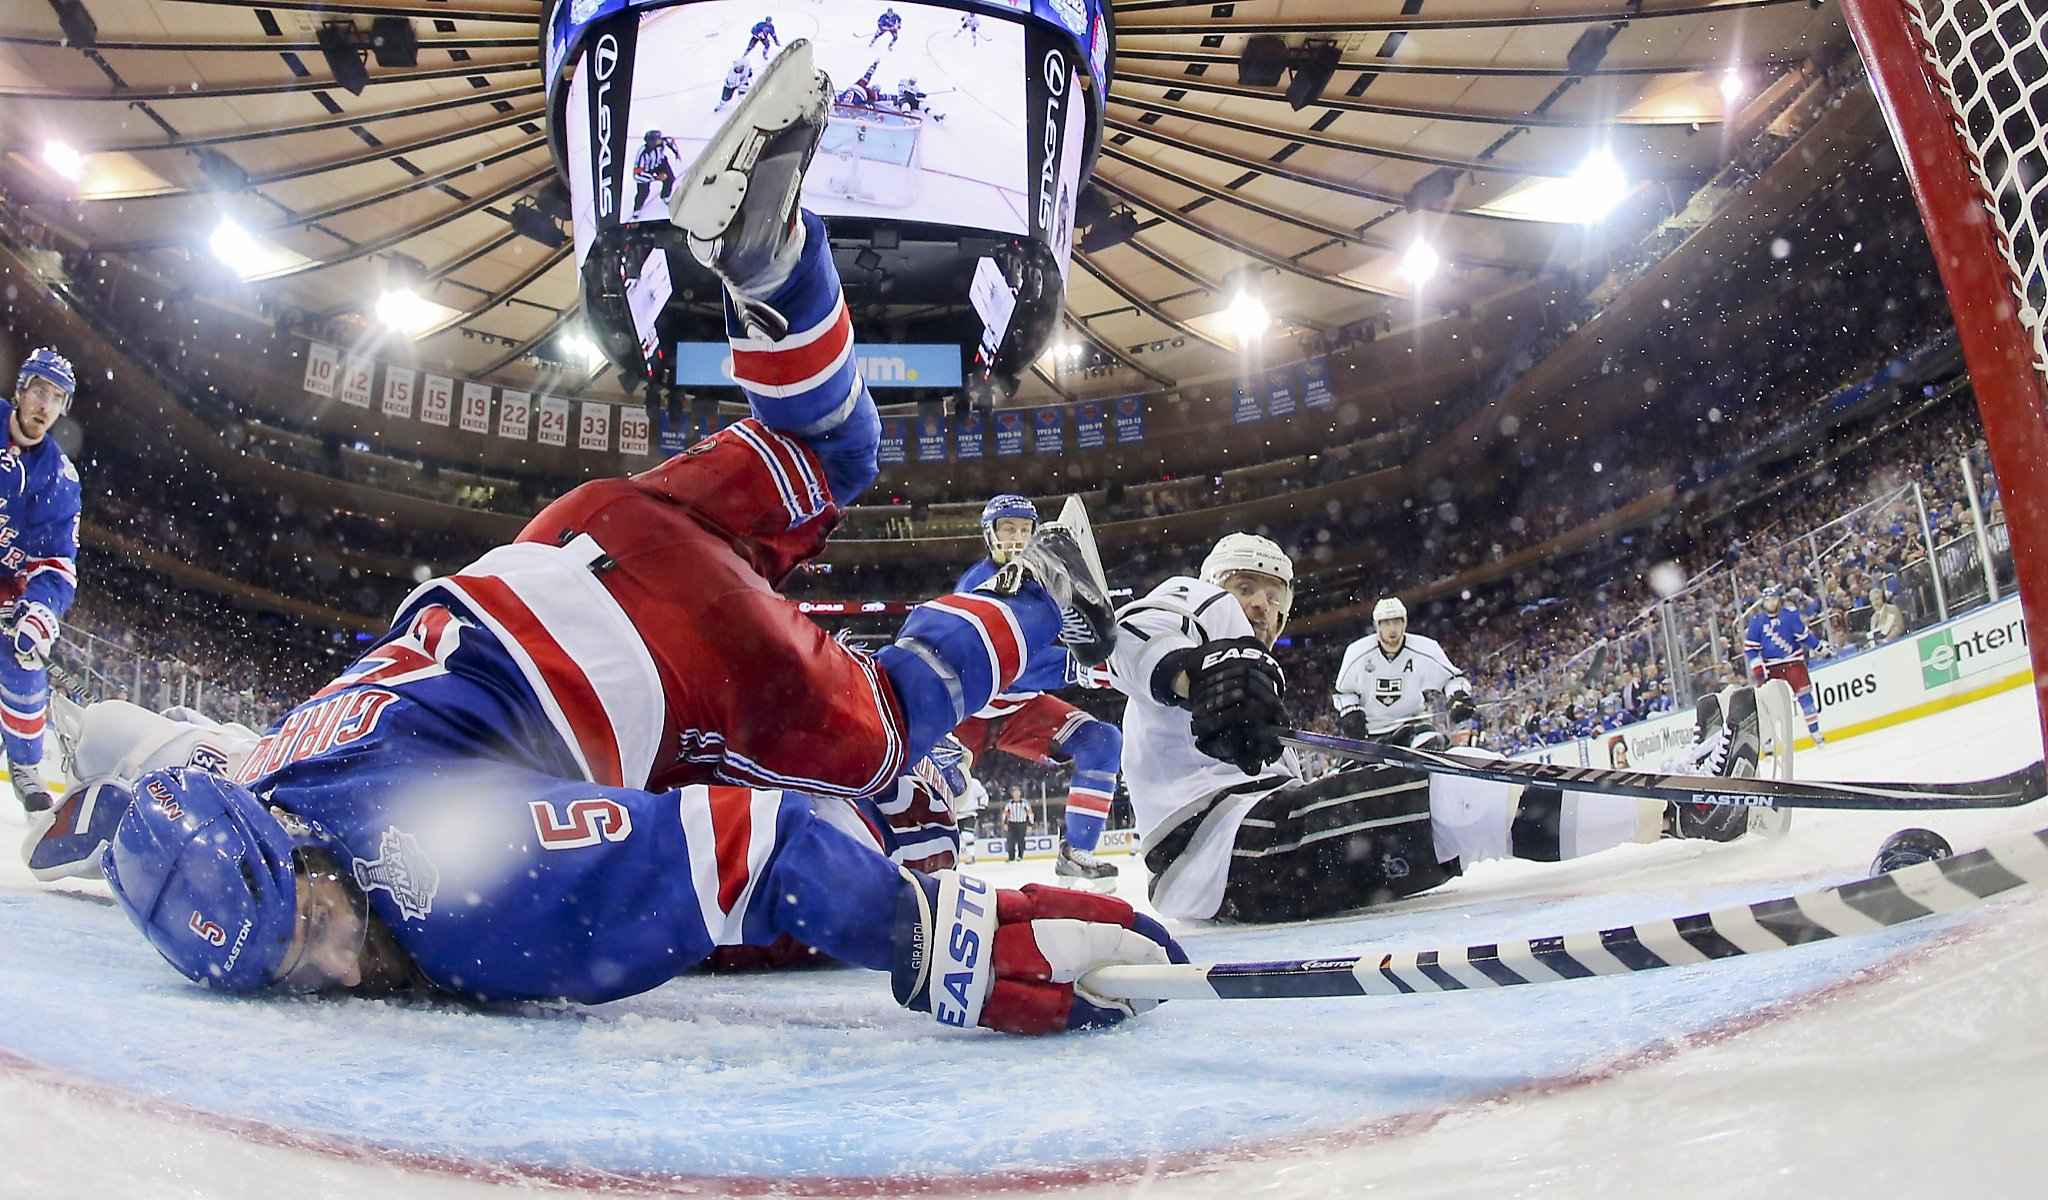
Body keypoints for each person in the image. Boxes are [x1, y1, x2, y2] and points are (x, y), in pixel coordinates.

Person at [86, 42, 1181, 1036]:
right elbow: (135, 764)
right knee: (830, 451)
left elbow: (764, 849)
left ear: (300, 853)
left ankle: (1037, 603)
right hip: (573, 537)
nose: (333, 963)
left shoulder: (437, 885)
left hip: (665, 652)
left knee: (888, 733)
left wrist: (968, 953)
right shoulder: (260, 769)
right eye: (295, 965)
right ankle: (775, 268)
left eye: (309, 920)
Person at [1103, 532, 1771, 923]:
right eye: (1248, 586)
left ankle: (1675, 799)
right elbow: (1129, 639)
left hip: (1242, 850)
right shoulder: (1191, 606)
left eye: (1276, 598)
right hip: (1217, 857)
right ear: (1215, 583)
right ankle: (1690, 807)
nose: (1262, 606)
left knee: (1442, 772)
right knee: (1452, 792)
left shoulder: (1252, 675)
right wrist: (1191, 673)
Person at [952, 495, 1123, 889]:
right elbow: (1004, 664)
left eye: (1025, 529)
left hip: (1017, 710)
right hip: (967, 712)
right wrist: (1080, 668)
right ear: (989, 534)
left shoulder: (1047, 581)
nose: (1018, 537)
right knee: (934, 788)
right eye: (1008, 528)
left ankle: (1076, 854)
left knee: (1101, 741)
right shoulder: (979, 587)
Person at [1, 347, 82, 814]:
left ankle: (26, 765)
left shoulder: (59, 478)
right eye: (38, 390)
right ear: (20, 391)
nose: (45, 405)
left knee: (24, 661)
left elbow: (56, 562)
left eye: (56, 397)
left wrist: (39, 611)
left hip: (8, 593)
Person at [1331, 596, 1476, 750]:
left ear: (1404, 623)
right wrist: (1350, 712)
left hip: (1414, 725)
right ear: (1377, 626)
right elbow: (1343, 692)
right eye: (1386, 623)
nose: (1392, 629)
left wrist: (1458, 696)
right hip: (1372, 732)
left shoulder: (1425, 648)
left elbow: (1452, 680)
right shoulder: (1357, 652)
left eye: (1396, 622)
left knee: (1431, 743)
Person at [1744, 584, 1828, 744]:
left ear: (1778, 600)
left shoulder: (1790, 615)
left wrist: (1818, 647)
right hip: (1770, 667)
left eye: (1773, 599)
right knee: (1766, 702)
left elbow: (1804, 636)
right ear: (1763, 602)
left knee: (1805, 696)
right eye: (1768, 601)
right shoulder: (1757, 622)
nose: (1771, 603)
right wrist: (1757, 666)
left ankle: (1815, 732)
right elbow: (1751, 648)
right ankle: (1768, 740)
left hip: (1793, 662)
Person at [631, 131, 681, 219]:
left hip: (659, 163)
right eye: (657, 140)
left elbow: (670, 141)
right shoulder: (643, 154)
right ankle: (637, 209)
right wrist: (655, 178)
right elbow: (637, 175)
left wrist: (676, 152)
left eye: (659, 140)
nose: (659, 142)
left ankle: (665, 195)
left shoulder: (662, 142)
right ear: (650, 142)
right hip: (646, 171)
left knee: (670, 179)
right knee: (643, 192)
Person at [1003, 786, 1032, 863]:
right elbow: (1005, 814)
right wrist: (1005, 823)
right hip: (1012, 824)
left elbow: (1030, 814)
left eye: (1017, 792)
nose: (1015, 794)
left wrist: (1030, 824)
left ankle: (1020, 855)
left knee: (1020, 840)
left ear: (1020, 793)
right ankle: (1011, 856)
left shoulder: (1025, 803)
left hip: (1022, 823)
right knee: (1010, 841)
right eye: (1014, 792)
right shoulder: (1009, 804)